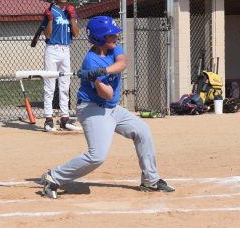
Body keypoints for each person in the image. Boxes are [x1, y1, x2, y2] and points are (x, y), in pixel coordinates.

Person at [40, 16, 174, 198]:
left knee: (142, 131)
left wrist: (103, 72)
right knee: (97, 156)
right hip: (92, 109)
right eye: (111, 35)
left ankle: (150, 180)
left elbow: (122, 63)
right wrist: (94, 78)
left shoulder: (113, 49)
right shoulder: (90, 61)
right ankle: (53, 177)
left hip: (111, 108)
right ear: (100, 38)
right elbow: (107, 93)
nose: (115, 38)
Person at [42, 0, 80, 132]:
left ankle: (64, 118)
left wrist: (71, 17)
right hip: (52, 49)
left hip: (66, 50)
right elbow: (48, 35)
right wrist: (50, 19)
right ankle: (48, 119)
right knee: (50, 85)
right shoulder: (51, 11)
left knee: (65, 85)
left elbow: (76, 34)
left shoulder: (71, 11)